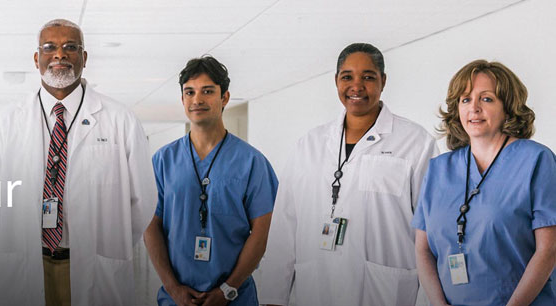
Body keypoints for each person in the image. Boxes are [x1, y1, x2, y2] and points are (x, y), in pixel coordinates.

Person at [0, 18, 156, 305]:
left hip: (96, 266)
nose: (60, 54)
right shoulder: (7, 121)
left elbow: (143, 200)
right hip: (28, 262)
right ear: (37, 58)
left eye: (70, 47)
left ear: (84, 58)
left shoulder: (120, 119)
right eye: (50, 47)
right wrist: (24, 239)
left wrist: (111, 243)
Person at [256, 43, 438, 305]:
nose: (357, 86)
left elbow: (430, 232)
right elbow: (284, 227)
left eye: (368, 77)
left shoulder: (416, 143)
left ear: (383, 81)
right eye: (347, 77)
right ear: (336, 81)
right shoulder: (310, 144)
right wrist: (272, 297)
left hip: (384, 294)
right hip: (315, 288)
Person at [413, 60, 556, 305]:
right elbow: (422, 249)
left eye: (487, 99)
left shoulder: (536, 160)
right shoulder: (439, 169)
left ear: (508, 106)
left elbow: (549, 250)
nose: (474, 108)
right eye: (465, 99)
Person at [144, 56, 277, 306]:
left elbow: (262, 232)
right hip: (178, 298)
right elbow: (151, 226)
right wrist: (173, 288)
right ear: (182, 99)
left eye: (207, 91)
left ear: (224, 97)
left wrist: (228, 289)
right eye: (190, 92)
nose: (197, 100)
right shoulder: (163, 161)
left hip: (235, 297)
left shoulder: (252, 162)